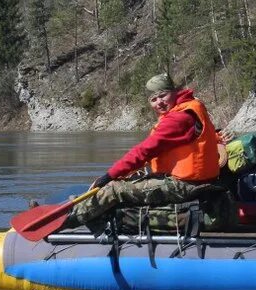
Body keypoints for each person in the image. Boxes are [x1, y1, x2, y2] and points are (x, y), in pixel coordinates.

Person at [63, 74, 222, 230]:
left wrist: (108, 176)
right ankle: (80, 209)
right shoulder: (190, 106)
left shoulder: (179, 118)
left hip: (186, 184)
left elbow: (144, 151)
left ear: (174, 92)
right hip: (192, 180)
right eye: (153, 100)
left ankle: (64, 222)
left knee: (114, 189)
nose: (159, 102)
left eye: (162, 96)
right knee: (128, 180)